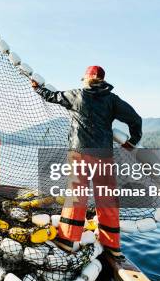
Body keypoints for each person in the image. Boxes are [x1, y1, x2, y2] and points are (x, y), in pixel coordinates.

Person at [32, 65, 141, 257]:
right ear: (103, 81)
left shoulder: (76, 95)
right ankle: (112, 244)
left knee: (77, 197)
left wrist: (38, 88)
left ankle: (68, 239)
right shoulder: (112, 100)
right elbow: (135, 119)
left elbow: (52, 96)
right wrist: (132, 141)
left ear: (85, 79)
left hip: (80, 154)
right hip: (104, 156)